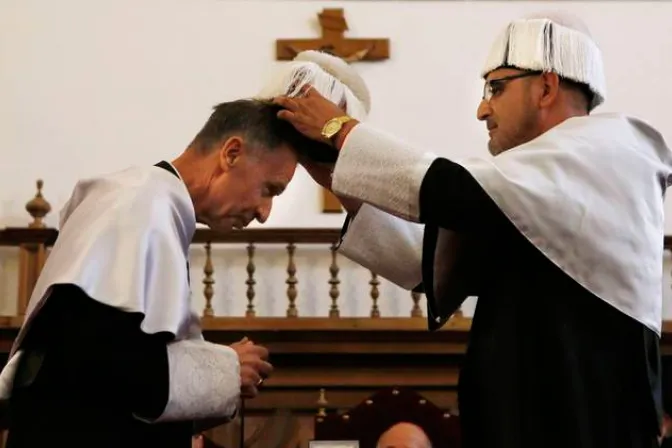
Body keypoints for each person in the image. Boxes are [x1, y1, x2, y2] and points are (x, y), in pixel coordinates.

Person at [273, 11, 672, 448]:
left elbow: (449, 186)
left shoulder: (613, 149)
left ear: (546, 87)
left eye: (496, 88)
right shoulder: (532, 193)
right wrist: (333, 173)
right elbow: (427, 260)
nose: (483, 109)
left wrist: (339, 129)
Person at [0, 98, 325, 447]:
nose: (264, 212)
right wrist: (225, 369)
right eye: (269, 189)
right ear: (231, 153)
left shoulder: (151, 206)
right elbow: (93, 361)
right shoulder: (138, 205)